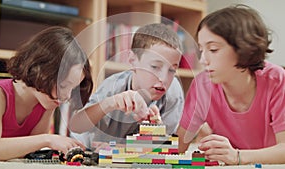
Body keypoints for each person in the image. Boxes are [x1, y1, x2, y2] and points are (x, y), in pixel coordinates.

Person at [177, 5, 285, 165]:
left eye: (213, 49)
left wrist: (237, 156)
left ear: (244, 49)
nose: (202, 60)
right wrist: (150, 127)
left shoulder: (276, 80)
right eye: (201, 50)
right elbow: (177, 147)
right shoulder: (202, 85)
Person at [0, 26, 93, 161]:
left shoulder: (46, 102)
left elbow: (31, 151)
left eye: (73, 88)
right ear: (42, 70)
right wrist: (47, 139)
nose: (67, 96)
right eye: (63, 85)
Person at [69, 23, 185, 148]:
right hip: (88, 151)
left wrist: (154, 133)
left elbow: (163, 147)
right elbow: (76, 126)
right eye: (155, 67)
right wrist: (110, 103)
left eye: (172, 70)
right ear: (133, 61)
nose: (164, 79)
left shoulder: (173, 93)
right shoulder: (112, 86)